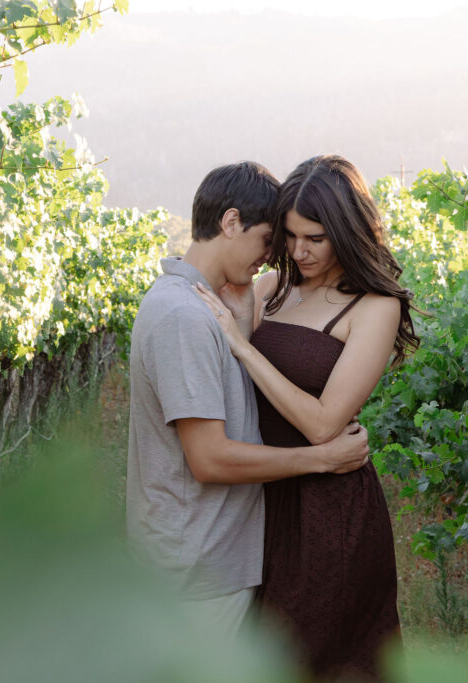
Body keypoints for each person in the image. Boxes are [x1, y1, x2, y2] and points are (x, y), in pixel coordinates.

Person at [126, 161, 371, 642]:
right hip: (197, 565)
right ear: (231, 222)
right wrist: (321, 458)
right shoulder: (184, 316)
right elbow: (210, 458)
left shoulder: (200, 306)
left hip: (201, 558)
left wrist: (242, 335)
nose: (273, 257)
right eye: (267, 240)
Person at [194, 155, 419, 679]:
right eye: (290, 236)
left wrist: (243, 346)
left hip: (329, 510)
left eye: (315, 237)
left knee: (311, 660)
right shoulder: (270, 289)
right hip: (259, 493)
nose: (299, 251)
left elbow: (323, 424)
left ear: (347, 229)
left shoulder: (374, 307)